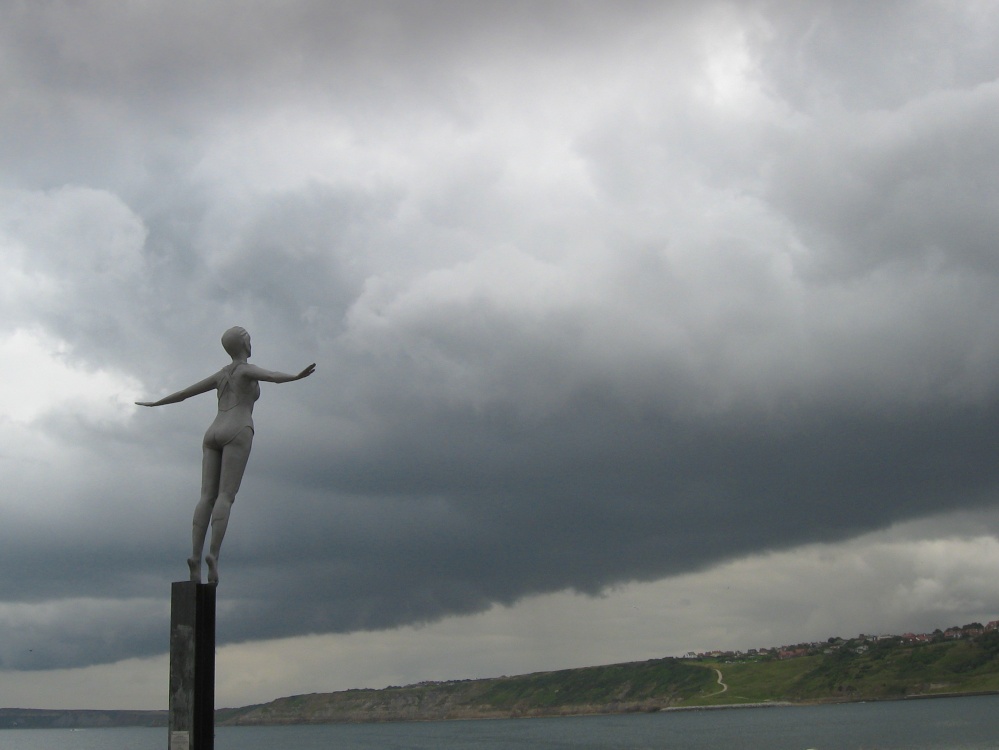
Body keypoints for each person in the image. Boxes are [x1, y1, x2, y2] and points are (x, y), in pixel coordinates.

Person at [136, 327, 315, 585]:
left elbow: (184, 394)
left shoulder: (221, 374)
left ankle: (195, 556)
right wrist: (296, 376)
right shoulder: (245, 370)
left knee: (205, 497)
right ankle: (213, 555)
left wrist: (156, 403)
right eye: (249, 339)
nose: (251, 343)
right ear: (243, 344)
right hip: (238, 427)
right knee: (226, 496)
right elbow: (272, 376)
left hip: (213, 431)